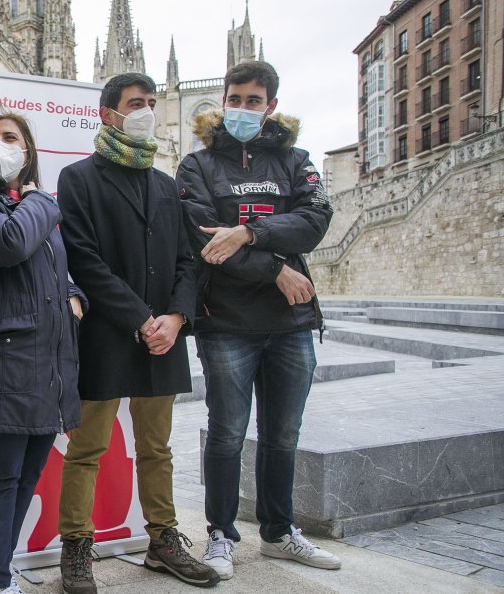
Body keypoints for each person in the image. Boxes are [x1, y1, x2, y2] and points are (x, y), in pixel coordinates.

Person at [175, 61, 338, 579]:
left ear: (270, 106)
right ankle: (220, 534)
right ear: (223, 101)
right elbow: (205, 240)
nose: (243, 108)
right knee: (226, 432)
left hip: (291, 324)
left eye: (253, 100)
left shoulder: (296, 161)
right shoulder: (196, 167)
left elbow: (314, 221)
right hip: (227, 323)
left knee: (282, 435)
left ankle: (279, 532)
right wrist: (275, 270)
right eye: (235, 98)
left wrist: (248, 235)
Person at [55, 74, 218, 591]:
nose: (146, 110)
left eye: (151, 103)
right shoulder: (78, 179)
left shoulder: (165, 184)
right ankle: (76, 547)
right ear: (108, 114)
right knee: (87, 450)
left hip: (163, 337)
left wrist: (175, 318)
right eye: (135, 104)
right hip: (107, 334)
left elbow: (186, 262)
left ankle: (163, 540)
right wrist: (140, 318)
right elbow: (84, 259)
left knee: (157, 448)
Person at [0, 112, 84, 594]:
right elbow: (11, 244)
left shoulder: (31, 205)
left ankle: (0, 566)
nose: (2, 146)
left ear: (28, 150)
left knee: (27, 475)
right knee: (0, 478)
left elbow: (55, 269)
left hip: (46, 366)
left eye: (12, 138)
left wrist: (75, 295)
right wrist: (41, 201)